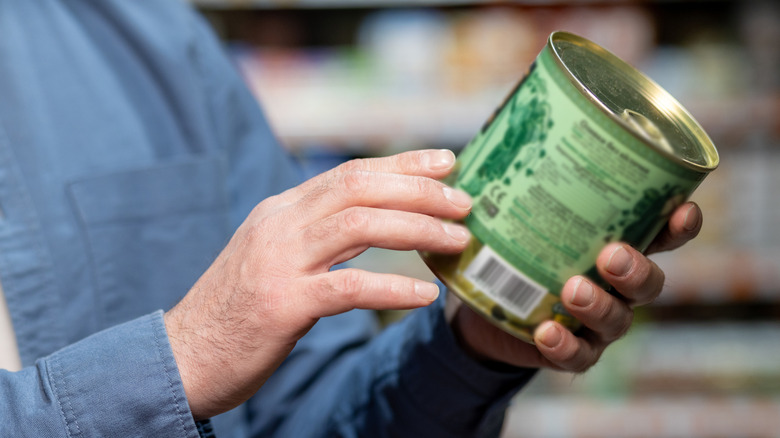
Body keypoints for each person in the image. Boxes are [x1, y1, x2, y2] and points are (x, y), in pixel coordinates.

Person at [0, 1, 703, 437]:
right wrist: (178, 362)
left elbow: (305, 412)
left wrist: (471, 349)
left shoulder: (151, 39)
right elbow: (193, 361)